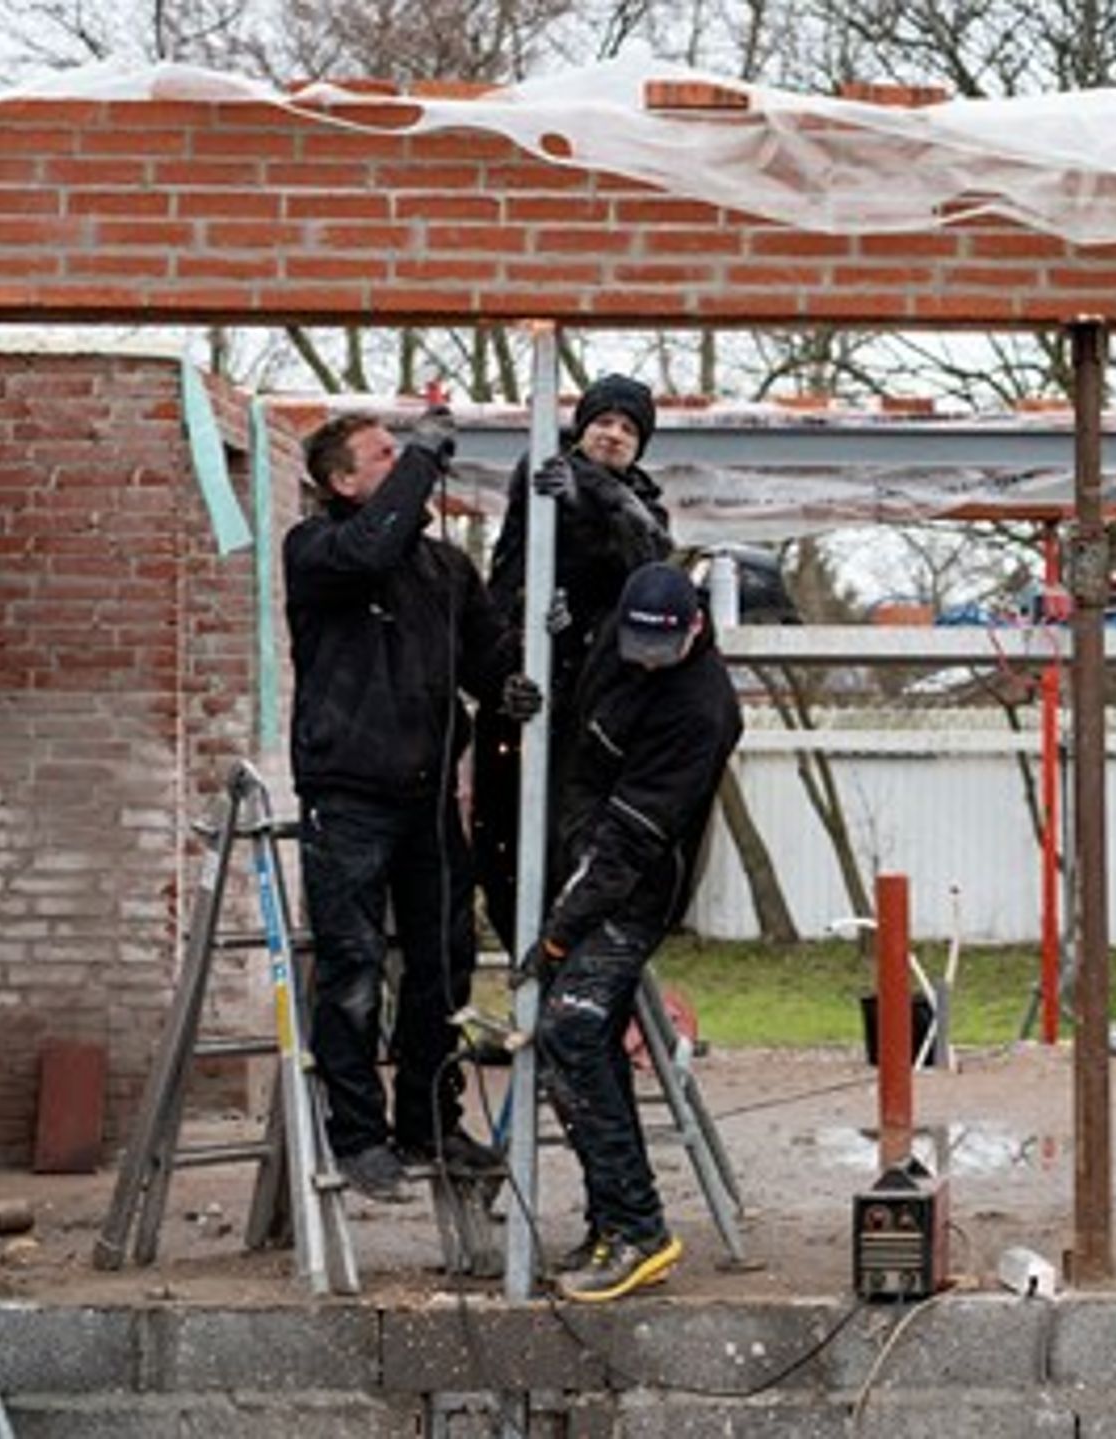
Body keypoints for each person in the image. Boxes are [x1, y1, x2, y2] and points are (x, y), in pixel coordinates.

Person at [285, 408, 540, 1203]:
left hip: (429, 801)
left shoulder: (440, 570)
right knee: (355, 967)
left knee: (442, 968)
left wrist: (515, 677)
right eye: (384, 455)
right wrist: (424, 459)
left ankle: (428, 1122)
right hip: (350, 796)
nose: (402, 465)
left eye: (405, 453)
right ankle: (357, 1133)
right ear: (341, 481)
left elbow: (486, 656)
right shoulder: (321, 551)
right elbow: (372, 545)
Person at [519, 562, 742, 1301]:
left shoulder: (702, 710)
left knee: (574, 1029)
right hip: (579, 852)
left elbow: (631, 837)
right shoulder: (620, 634)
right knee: (565, 1048)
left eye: (660, 651)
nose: (644, 662)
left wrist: (560, 929)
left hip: (633, 884)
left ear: (695, 628)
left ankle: (641, 1227)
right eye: (635, 645)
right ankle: (611, 1217)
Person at [473, 374, 674, 953]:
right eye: (603, 422)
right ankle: (525, 969)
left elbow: (649, 556)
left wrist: (596, 493)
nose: (612, 435)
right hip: (528, 683)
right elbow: (510, 573)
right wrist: (515, 656)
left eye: (628, 428)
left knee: (574, 841)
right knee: (502, 844)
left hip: (594, 699)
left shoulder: (640, 504)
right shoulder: (540, 470)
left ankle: (568, 979)